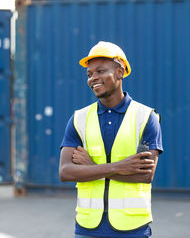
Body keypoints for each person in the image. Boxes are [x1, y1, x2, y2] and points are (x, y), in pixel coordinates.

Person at [59, 41, 163, 238]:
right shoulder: (79, 119)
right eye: (89, 74)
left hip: (132, 228)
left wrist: (90, 167)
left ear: (120, 72)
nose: (93, 78)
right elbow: (65, 172)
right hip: (87, 228)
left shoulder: (146, 117)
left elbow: (145, 175)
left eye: (100, 71)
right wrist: (118, 166)